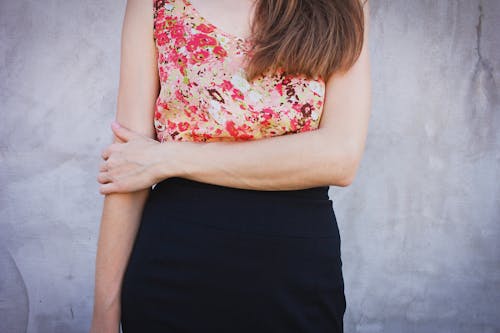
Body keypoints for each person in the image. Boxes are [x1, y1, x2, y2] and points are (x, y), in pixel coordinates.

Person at [90, 0, 371, 331]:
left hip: (295, 277)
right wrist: (104, 314)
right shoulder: (154, 4)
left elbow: (340, 158)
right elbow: (129, 166)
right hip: (171, 273)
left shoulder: (343, 4)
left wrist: (169, 157)